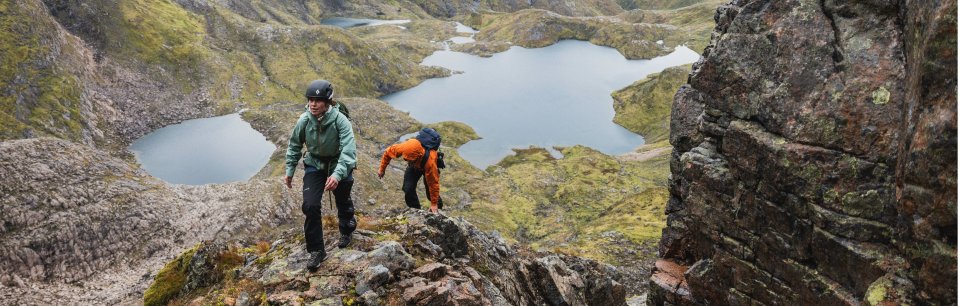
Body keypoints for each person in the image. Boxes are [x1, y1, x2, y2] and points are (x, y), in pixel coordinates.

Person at [284, 79, 357, 270]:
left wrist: (338, 174)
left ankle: (347, 228)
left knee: (342, 197)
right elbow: (294, 145)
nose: (313, 104)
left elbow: (349, 151)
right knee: (310, 205)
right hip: (314, 164)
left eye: (318, 100)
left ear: (328, 102)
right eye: (310, 99)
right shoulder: (304, 120)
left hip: (337, 163)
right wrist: (290, 171)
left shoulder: (341, 120)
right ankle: (317, 250)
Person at [377, 128, 443, 213]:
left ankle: (438, 209)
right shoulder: (404, 147)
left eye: (411, 160)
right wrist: (382, 169)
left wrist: (434, 204)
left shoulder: (430, 162)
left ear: (419, 155)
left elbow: (433, 184)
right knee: (408, 189)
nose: (408, 162)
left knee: (430, 192)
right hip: (415, 167)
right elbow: (388, 152)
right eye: (407, 160)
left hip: (426, 166)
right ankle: (416, 211)